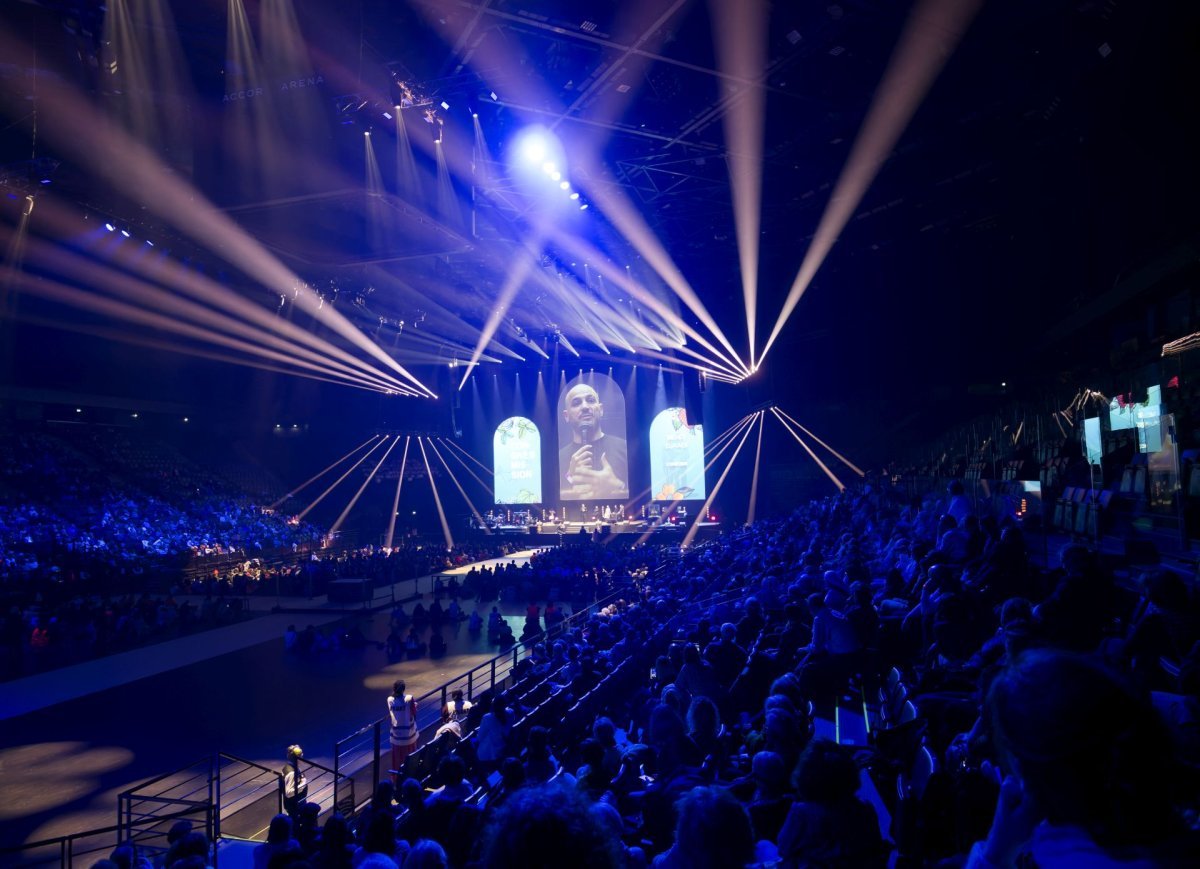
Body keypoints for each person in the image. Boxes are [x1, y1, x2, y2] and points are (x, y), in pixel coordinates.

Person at [559, 382, 628, 500]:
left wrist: (617, 485)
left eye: (590, 400)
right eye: (576, 403)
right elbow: (554, 498)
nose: (585, 407)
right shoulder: (559, 458)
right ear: (566, 416)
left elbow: (642, 493)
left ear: (600, 409)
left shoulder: (624, 448)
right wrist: (570, 477)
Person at [388, 680, 418, 784]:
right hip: (409, 735)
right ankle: (410, 779)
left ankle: (397, 781)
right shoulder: (409, 698)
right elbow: (413, 712)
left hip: (396, 736)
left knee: (397, 761)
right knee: (410, 757)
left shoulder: (389, 699)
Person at [282, 744, 308, 817]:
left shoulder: (293, 767)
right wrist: (303, 783)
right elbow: (289, 793)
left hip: (297, 803)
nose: (302, 756)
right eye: (300, 755)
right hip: (295, 806)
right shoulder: (291, 772)